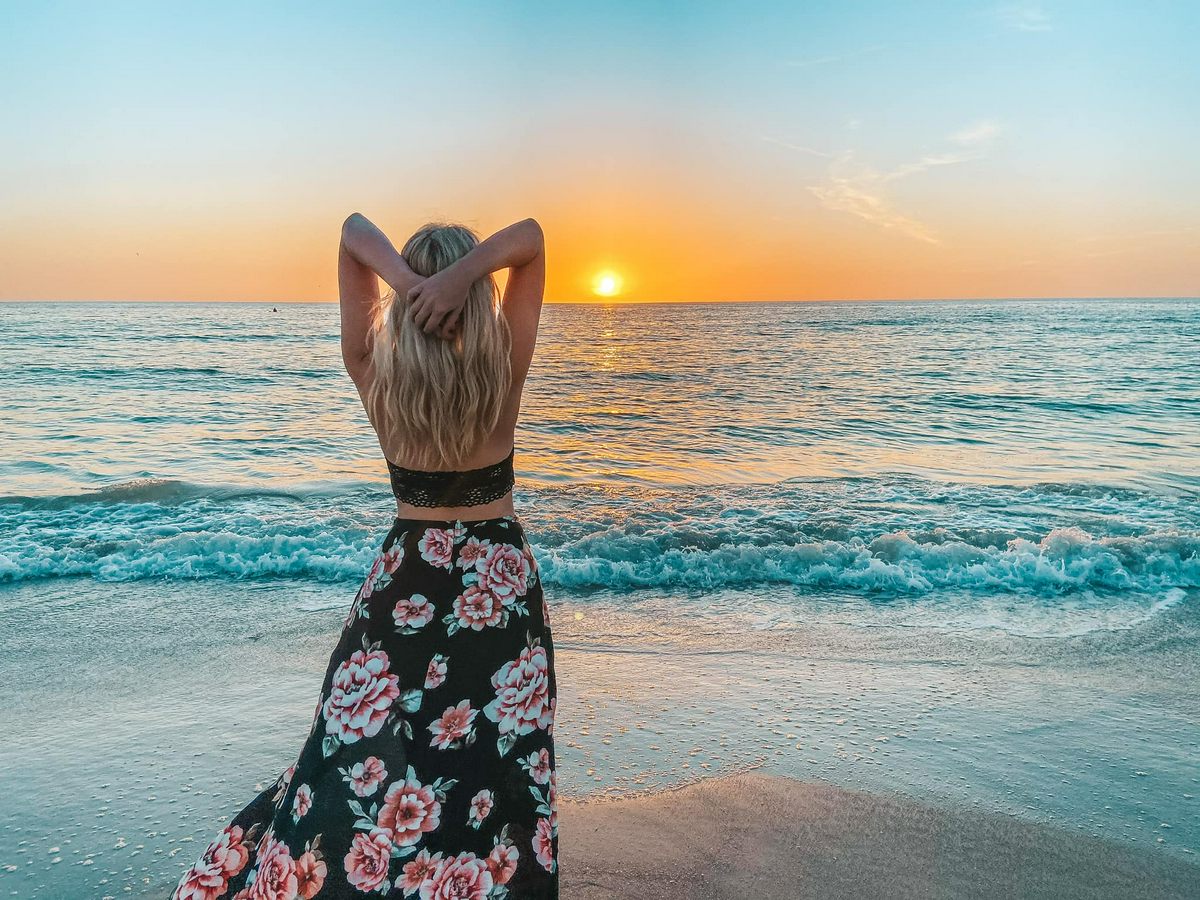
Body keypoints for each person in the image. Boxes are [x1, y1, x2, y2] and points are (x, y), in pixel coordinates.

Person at [172, 214, 557, 899]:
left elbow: (352, 232)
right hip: (499, 593)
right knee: (498, 770)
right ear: (476, 302)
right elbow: (530, 237)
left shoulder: (375, 374)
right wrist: (461, 276)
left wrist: (408, 283)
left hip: (402, 585)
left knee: (357, 762)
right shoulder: (505, 372)